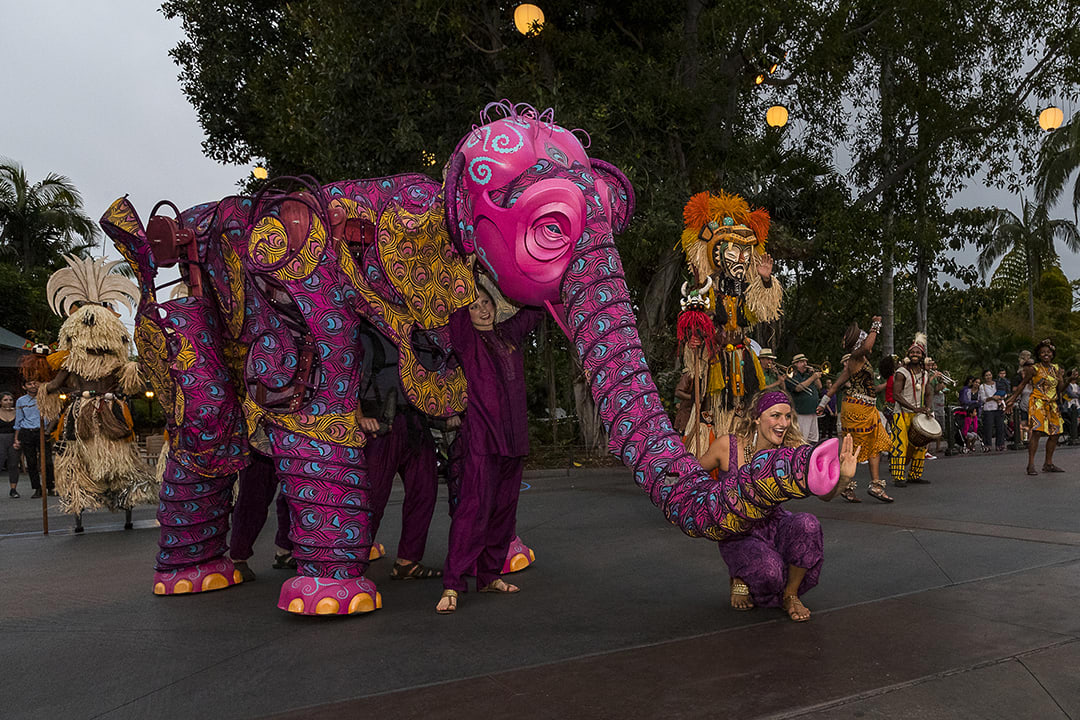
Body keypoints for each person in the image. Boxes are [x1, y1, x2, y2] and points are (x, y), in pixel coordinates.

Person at [697, 390, 855, 622]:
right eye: (775, 416)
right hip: (738, 532)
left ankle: (790, 595)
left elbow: (825, 496)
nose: (783, 423)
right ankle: (740, 575)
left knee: (808, 524)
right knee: (769, 573)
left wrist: (843, 478)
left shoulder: (789, 452)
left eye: (788, 416)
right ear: (757, 417)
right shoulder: (727, 446)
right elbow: (691, 479)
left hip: (774, 524)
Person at [436, 285, 543, 614]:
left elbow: (536, 309)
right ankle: (453, 584)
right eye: (475, 306)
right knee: (473, 510)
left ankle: (489, 575)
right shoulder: (467, 341)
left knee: (504, 511)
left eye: (486, 302)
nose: (483, 309)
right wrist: (466, 269)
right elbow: (455, 310)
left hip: (514, 440)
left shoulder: (508, 333)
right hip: (483, 440)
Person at [817, 316, 893, 502]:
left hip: (866, 409)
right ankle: (850, 485)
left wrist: (822, 404)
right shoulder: (856, 356)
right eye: (866, 338)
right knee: (854, 447)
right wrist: (876, 325)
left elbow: (835, 387)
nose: (870, 343)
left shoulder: (855, 362)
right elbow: (867, 347)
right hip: (857, 409)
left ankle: (870, 485)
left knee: (873, 442)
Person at [1006, 338, 1066, 475]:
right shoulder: (1034, 369)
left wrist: (1065, 379)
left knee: (1055, 433)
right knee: (1037, 432)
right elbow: (1022, 384)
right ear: (1039, 355)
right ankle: (1031, 464)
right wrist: (1013, 398)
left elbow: (1061, 389)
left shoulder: (1056, 368)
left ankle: (1048, 463)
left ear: (1052, 354)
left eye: (1048, 352)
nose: (1046, 354)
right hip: (1037, 402)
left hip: (1052, 404)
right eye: (1043, 352)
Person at [13, 379, 54, 498]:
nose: (33, 386)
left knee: (47, 461)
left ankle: (50, 486)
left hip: (42, 431)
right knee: (31, 463)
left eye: (35, 383)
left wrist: (47, 431)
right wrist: (17, 438)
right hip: (27, 432)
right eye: (29, 384)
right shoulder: (21, 401)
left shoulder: (46, 398)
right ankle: (37, 488)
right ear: (24, 387)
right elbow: (18, 420)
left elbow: (54, 416)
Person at [785, 354, 822, 443]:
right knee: (802, 438)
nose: (805, 364)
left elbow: (820, 386)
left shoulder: (808, 375)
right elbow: (798, 388)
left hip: (812, 410)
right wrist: (813, 377)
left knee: (812, 439)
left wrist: (814, 375)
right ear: (795, 364)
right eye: (802, 362)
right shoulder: (792, 375)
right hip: (801, 411)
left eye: (805, 361)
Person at [978, 369, 1006, 452]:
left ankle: (1000, 444)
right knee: (988, 427)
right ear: (984, 377)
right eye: (986, 375)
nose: (988, 377)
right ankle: (988, 444)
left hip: (998, 407)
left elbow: (1004, 393)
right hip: (988, 408)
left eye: (989, 375)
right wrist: (992, 398)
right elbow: (983, 399)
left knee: (1000, 427)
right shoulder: (982, 386)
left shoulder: (997, 384)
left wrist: (1000, 398)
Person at [926, 357, 948, 458]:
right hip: (930, 403)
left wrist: (941, 381)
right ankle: (927, 449)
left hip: (938, 404)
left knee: (939, 426)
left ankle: (938, 447)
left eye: (932, 365)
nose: (932, 367)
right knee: (929, 427)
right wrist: (934, 377)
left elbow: (939, 388)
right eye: (930, 365)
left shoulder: (932, 375)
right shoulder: (926, 375)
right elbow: (929, 388)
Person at [0, 392, 19, 498]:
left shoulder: (17, 412)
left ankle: (13, 489)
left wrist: (18, 440)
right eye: (5, 400)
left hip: (13, 439)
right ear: (0, 402)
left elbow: (20, 426)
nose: (8, 402)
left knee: (13, 465)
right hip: (1, 439)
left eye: (10, 400)